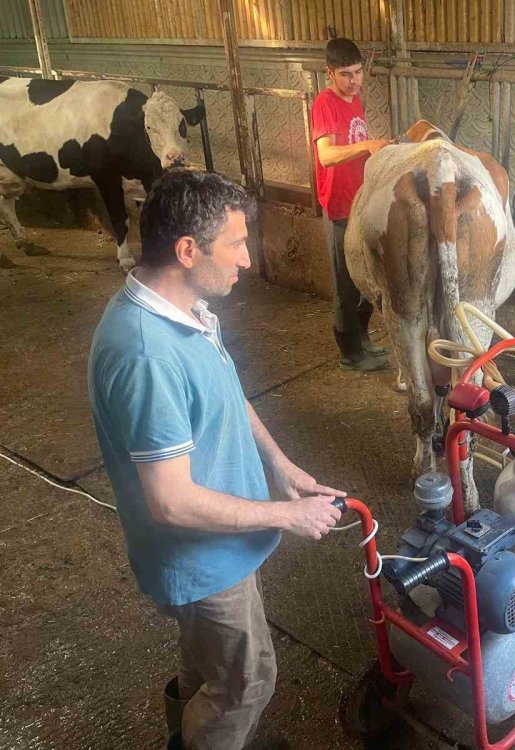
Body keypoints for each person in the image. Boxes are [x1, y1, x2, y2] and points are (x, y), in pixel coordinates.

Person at [87, 169, 346, 750]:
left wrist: (282, 469)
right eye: (235, 243)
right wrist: (288, 516)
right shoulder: (147, 352)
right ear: (187, 250)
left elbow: (226, 395)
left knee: (207, 670)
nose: (248, 260)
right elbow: (171, 502)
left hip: (221, 545)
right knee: (247, 683)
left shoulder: (186, 311)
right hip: (202, 559)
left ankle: (187, 730)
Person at [311, 36, 391, 372]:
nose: (355, 80)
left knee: (364, 278)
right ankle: (349, 351)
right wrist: (368, 146)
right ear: (329, 73)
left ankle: (362, 337)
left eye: (358, 72)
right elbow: (326, 155)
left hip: (359, 202)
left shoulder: (354, 101)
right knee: (345, 282)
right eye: (346, 74)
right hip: (339, 205)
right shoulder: (324, 104)